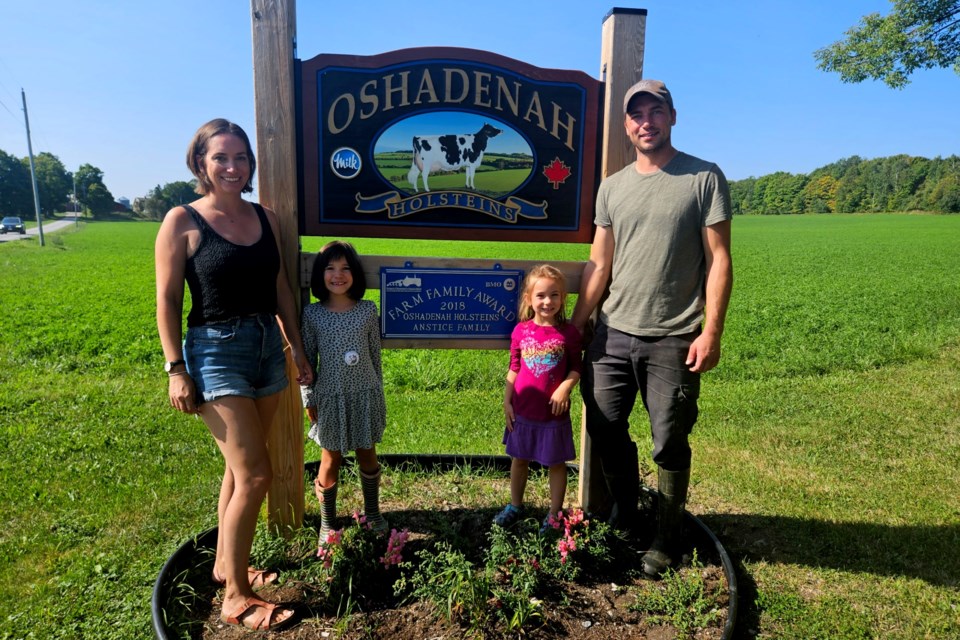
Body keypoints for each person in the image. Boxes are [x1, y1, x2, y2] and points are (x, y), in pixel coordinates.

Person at [571, 79, 733, 577]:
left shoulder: (703, 178)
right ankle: (626, 507)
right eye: (637, 114)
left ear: (672, 117)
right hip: (613, 332)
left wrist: (711, 331)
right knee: (603, 424)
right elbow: (600, 262)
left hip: (675, 337)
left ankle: (667, 533)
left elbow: (719, 259)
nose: (647, 121)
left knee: (670, 438)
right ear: (626, 125)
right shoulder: (613, 187)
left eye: (655, 111)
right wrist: (578, 326)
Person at [155, 118, 313, 631]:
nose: (232, 166)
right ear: (200, 163)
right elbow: (168, 299)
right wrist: (176, 368)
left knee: (237, 469)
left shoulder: (265, 217)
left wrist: (296, 346)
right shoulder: (182, 220)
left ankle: (227, 565)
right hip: (215, 350)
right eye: (221, 157)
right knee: (257, 474)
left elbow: (281, 289)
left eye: (241, 158)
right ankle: (237, 598)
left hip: (268, 348)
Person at [300, 240, 389, 542]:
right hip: (329, 397)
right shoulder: (313, 315)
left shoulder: (367, 311)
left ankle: (373, 512)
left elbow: (375, 356)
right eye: (330, 268)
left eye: (345, 268)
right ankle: (327, 522)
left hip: (364, 394)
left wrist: (378, 394)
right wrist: (308, 400)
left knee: (368, 454)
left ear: (355, 274)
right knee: (330, 459)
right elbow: (307, 362)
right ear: (320, 275)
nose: (338, 275)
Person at [495, 265, 582, 534]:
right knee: (519, 459)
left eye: (554, 295)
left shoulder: (568, 333)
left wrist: (564, 388)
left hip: (553, 414)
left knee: (556, 463)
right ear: (529, 299)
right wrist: (507, 402)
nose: (547, 301)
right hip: (522, 411)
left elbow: (577, 367)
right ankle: (515, 505)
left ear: (563, 298)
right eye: (541, 295)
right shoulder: (521, 331)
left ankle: (555, 513)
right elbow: (514, 368)